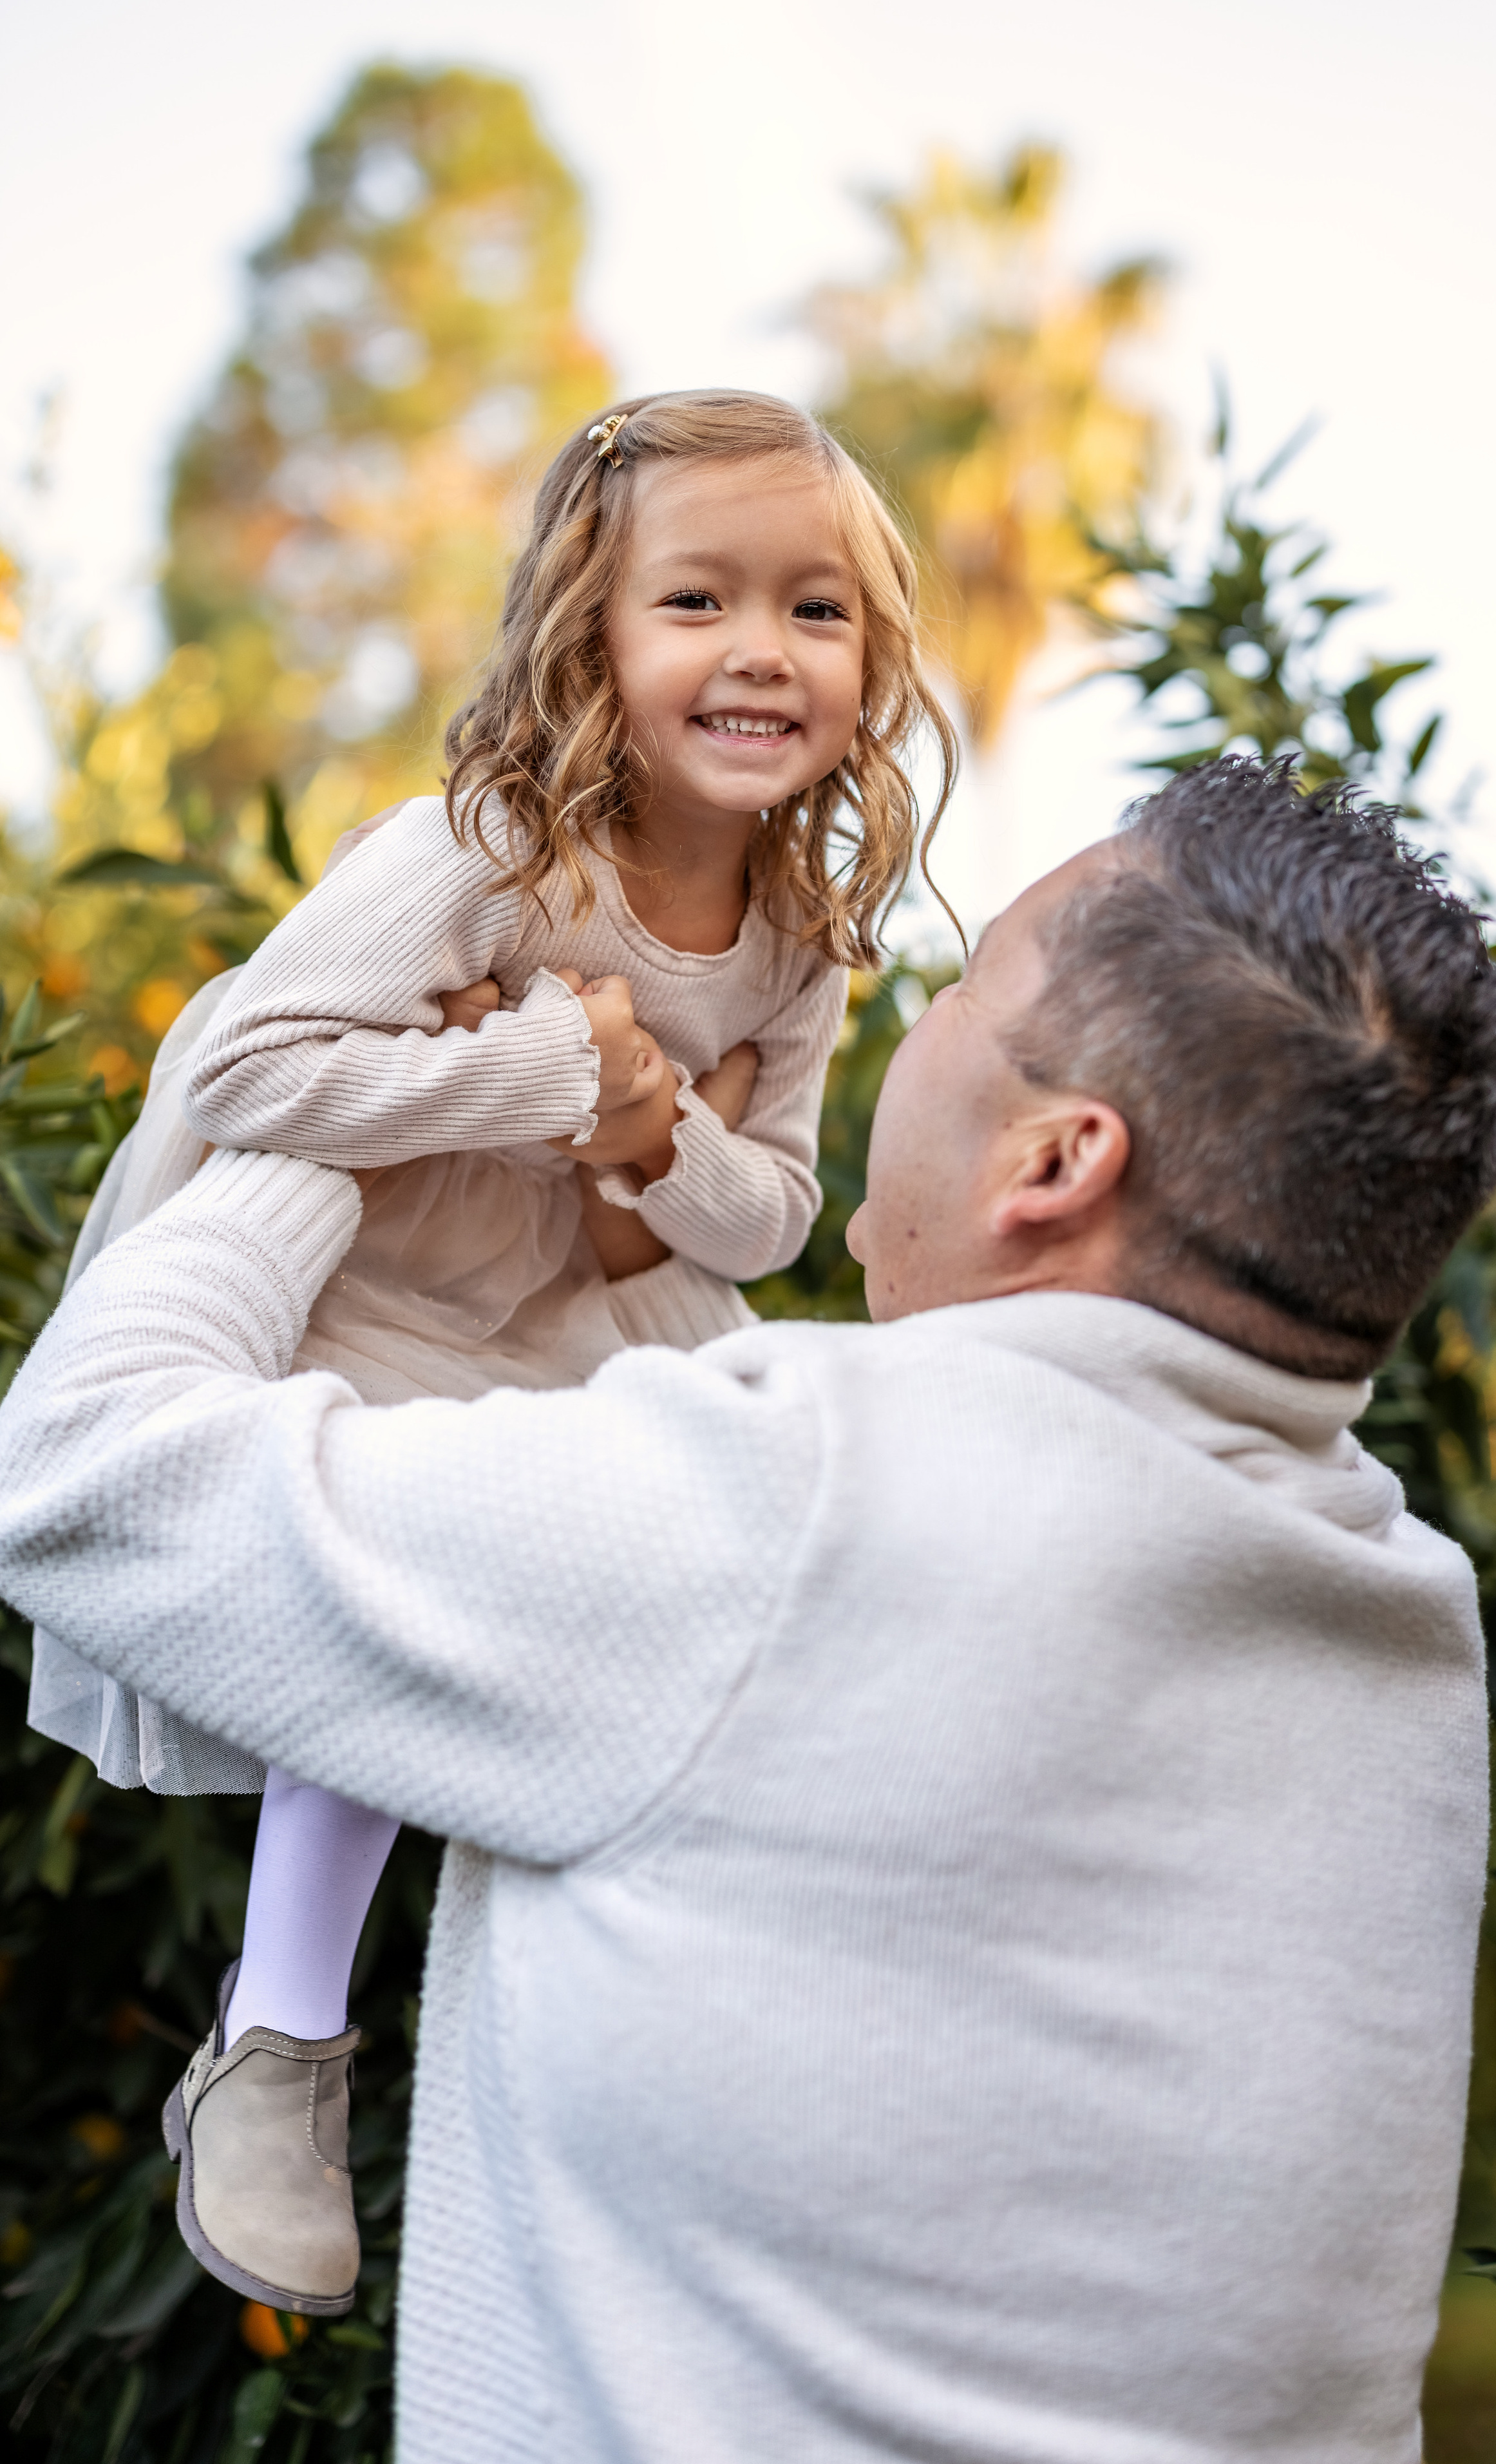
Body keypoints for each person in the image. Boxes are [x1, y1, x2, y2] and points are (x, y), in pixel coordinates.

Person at [0, 759, 1496, 2464]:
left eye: (956, 992)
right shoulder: (1405, 1623)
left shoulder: (796, 1510)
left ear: (1056, 1157)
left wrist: (360, 1090)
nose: (898, 1025)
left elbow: (87, 1477)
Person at [23, 387, 957, 2318]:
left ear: (872, 661)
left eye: (817, 611)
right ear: (594, 637)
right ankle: (277, 2041)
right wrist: (537, 1065)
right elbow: (245, 1065)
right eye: (697, 600)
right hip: (372, 1276)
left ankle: (694, 2024)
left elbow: (772, 1214)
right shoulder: (491, 847)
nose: (761, 652)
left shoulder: (802, 938)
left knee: (738, 1567)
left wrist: (641, 1131)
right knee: (388, 1595)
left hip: (578, 1294)